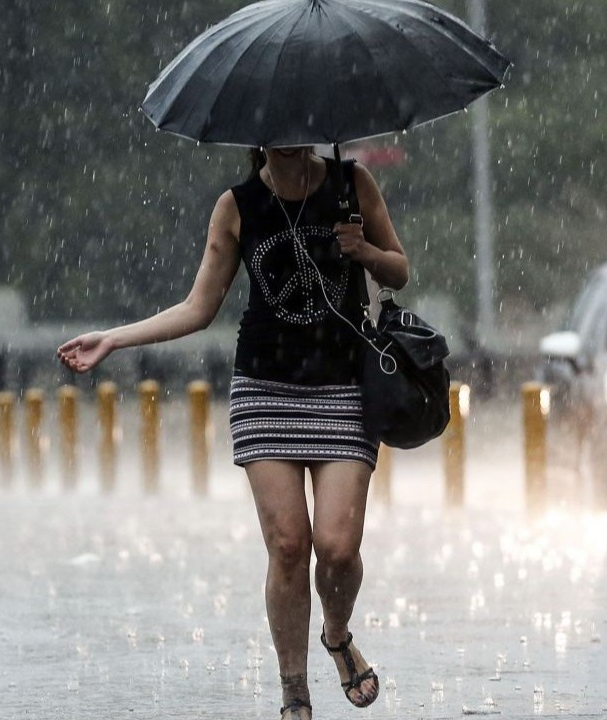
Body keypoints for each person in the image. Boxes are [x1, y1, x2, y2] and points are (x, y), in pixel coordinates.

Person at [57, 146, 410, 720]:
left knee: (339, 550)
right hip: (264, 390)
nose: (287, 139)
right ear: (257, 136)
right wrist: (115, 338)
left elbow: (400, 268)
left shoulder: (353, 184)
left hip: (344, 389)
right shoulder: (238, 205)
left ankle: (338, 634)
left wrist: (364, 249)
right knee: (290, 546)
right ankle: (293, 686)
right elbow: (198, 307)